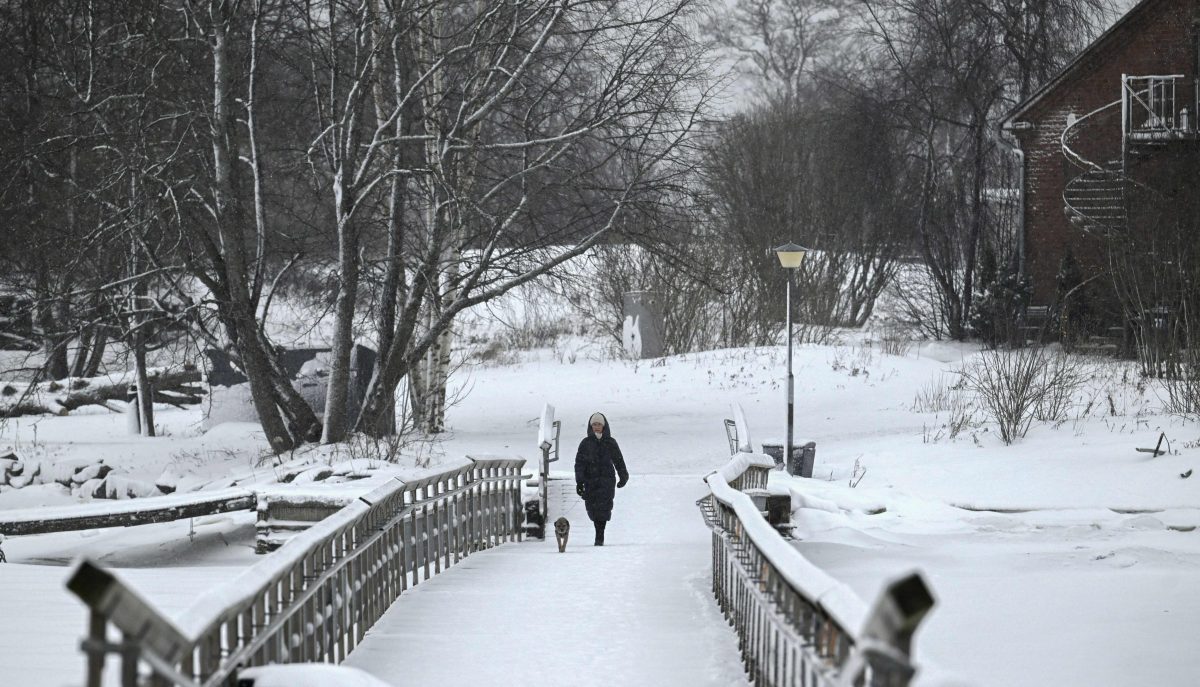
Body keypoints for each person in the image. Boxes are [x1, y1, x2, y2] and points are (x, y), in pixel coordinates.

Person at [574, 411, 629, 546]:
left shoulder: (610, 442)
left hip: (606, 480)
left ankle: (600, 536)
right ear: (591, 426)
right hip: (590, 481)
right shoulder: (585, 443)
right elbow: (579, 463)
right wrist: (579, 482)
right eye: (594, 424)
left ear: (604, 426)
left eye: (599, 424)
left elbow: (618, 460)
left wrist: (623, 476)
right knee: (592, 508)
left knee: (604, 508)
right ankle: (598, 532)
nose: (597, 427)